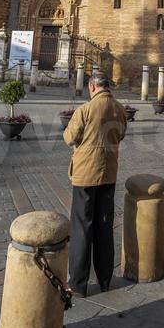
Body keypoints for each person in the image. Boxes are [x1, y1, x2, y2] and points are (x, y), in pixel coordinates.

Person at [63, 71, 127, 297]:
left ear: (92, 87)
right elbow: (120, 135)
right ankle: (105, 279)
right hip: (109, 173)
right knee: (104, 226)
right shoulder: (119, 109)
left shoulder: (85, 110)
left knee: (81, 227)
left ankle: (78, 283)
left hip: (85, 175)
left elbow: (69, 137)